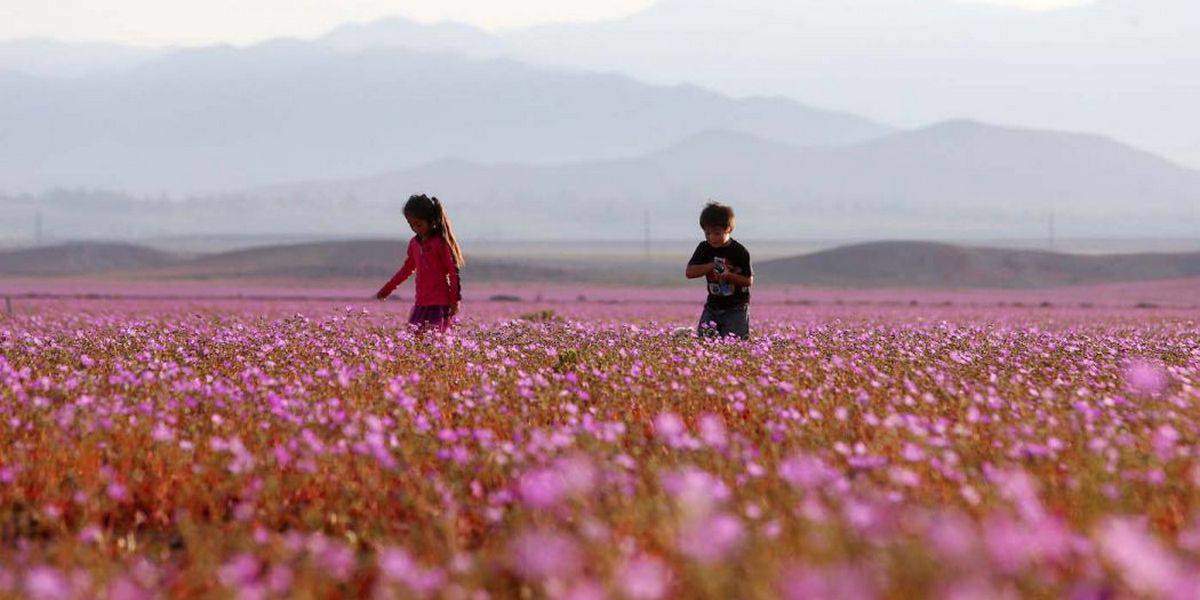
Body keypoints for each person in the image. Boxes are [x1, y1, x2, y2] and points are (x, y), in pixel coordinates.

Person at [375, 194, 465, 331]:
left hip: (440, 304)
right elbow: (406, 270)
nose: (415, 228)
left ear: (431, 221)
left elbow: (453, 272)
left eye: (418, 224)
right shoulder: (414, 244)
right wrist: (387, 289)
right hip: (421, 303)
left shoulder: (440, 243)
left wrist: (455, 300)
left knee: (434, 342)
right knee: (415, 342)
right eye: (411, 225)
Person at [685, 202, 753, 339]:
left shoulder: (739, 251)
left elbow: (748, 280)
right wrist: (711, 266)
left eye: (716, 233)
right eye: (707, 233)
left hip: (736, 309)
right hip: (712, 307)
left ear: (728, 229)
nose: (711, 238)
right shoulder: (704, 248)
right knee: (705, 343)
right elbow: (690, 272)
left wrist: (728, 276)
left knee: (735, 347)